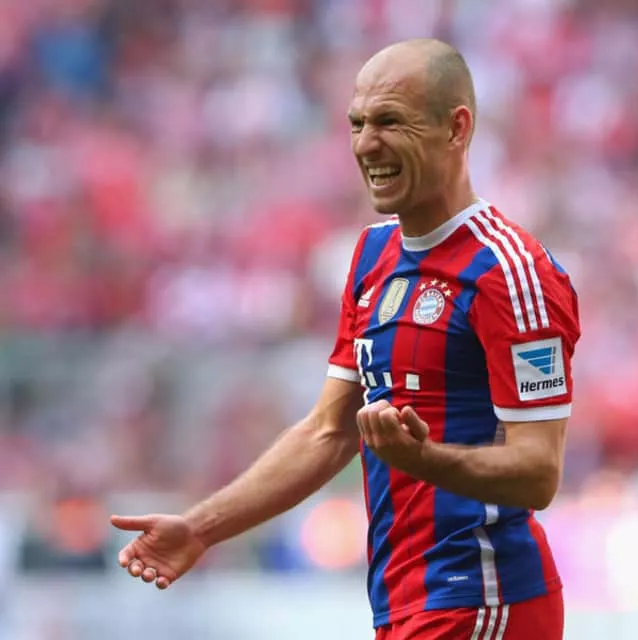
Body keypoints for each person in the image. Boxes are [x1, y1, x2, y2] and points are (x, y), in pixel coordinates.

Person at [110, 38, 580, 640]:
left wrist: (425, 460)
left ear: (456, 128)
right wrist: (201, 528)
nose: (365, 145)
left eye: (390, 122)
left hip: (483, 599)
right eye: (357, 124)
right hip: (404, 602)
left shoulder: (510, 273)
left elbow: (539, 471)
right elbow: (328, 432)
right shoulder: (372, 255)